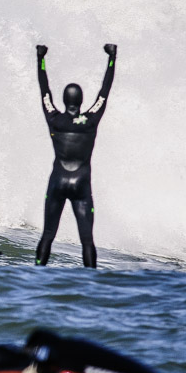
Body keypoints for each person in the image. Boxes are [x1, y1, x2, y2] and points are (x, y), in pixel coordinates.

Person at [33, 43, 117, 268]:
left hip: (58, 181)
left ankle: (36, 277)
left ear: (64, 100)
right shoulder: (90, 120)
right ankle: (91, 284)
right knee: (87, 241)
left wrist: (40, 58)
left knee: (48, 235)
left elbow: (45, 92)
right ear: (80, 101)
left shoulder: (55, 119)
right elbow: (104, 93)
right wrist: (112, 58)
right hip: (81, 184)